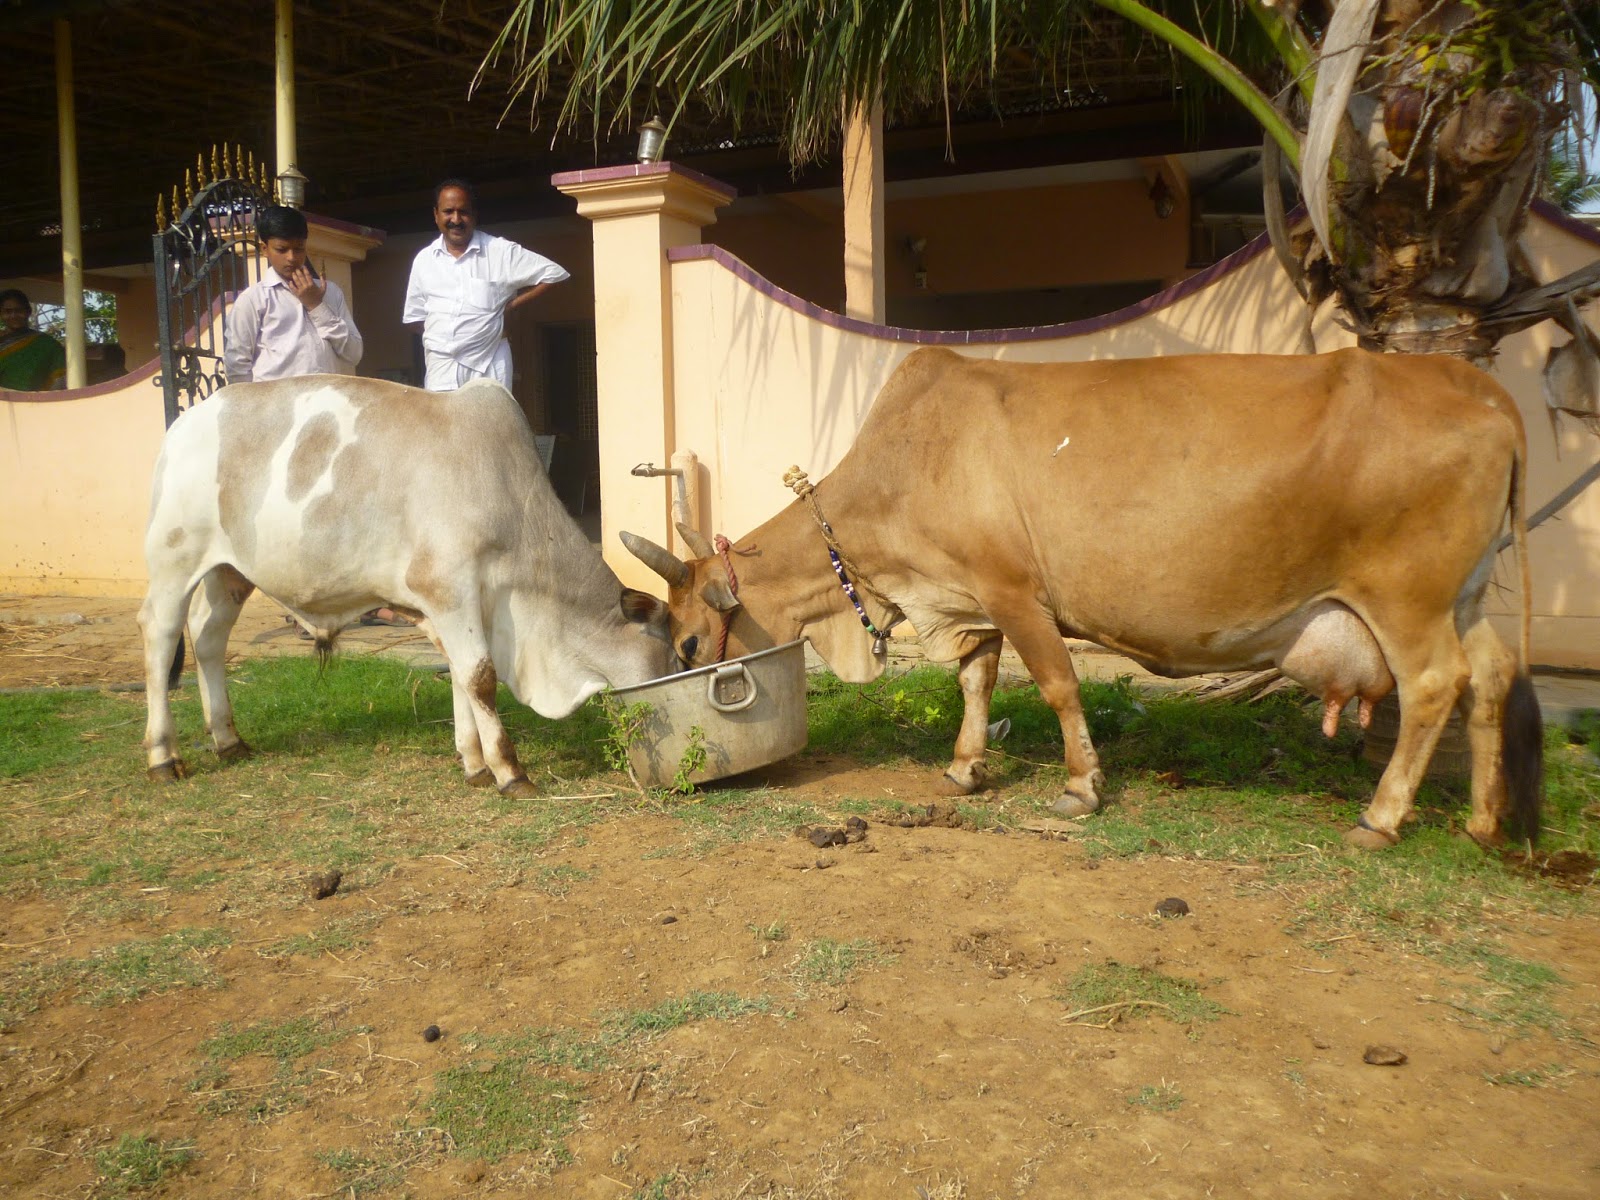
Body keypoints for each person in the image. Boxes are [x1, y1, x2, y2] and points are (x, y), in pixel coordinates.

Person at [402, 179, 569, 391]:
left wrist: (511, 307)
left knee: (491, 424)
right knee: (443, 425)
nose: (456, 219)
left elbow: (554, 274)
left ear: (474, 215)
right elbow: (414, 319)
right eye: (448, 211)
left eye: (463, 212)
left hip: (489, 365)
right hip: (441, 369)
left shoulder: (500, 251)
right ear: (436, 215)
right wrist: (445, 337)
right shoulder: (424, 260)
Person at [223, 205, 363, 384]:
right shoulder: (253, 300)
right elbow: (237, 367)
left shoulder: (331, 292)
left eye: (298, 249)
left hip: (327, 402)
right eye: (282, 249)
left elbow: (354, 354)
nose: (291, 257)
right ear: (264, 249)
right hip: (277, 407)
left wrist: (316, 306)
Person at [0, 289, 67, 391]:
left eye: (19, 311)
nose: (13, 315)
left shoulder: (48, 345)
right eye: (7, 312)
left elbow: (60, 382)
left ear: (28, 312)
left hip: (34, 403)